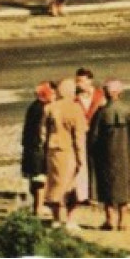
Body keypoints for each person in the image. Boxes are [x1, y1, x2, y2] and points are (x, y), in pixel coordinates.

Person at [90, 79, 130, 231]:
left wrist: (94, 153)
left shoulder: (101, 112)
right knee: (124, 187)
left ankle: (110, 220)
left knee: (107, 187)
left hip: (106, 155)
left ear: (106, 93)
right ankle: (123, 221)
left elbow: (94, 137)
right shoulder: (127, 110)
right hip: (124, 154)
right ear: (120, 92)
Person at [40, 77, 89, 226]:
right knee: (71, 186)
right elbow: (79, 137)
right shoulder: (76, 109)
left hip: (52, 151)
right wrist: (81, 159)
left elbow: (42, 133)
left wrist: (44, 150)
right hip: (69, 152)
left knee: (54, 185)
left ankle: (56, 218)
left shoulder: (49, 108)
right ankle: (69, 219)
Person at [68, 68, 106, 209]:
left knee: (97, 164)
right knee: (82, 164)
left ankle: (96, 194)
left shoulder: (100, 95)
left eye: (81, 81)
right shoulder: (74, 98)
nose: (79, 84)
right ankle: (84, 195)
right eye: (77, 81)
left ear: (90, 80)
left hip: (98, 135)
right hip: (81, 135)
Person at [20, 81, 56, 216]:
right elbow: (41, 131)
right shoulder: (43, 109)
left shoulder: (33, 107)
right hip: (38, 148)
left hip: (30, 147)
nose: (54, 96)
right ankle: (38, 207)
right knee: (40, 179)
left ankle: (37, 206)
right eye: (51, 93)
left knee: (34, 179)